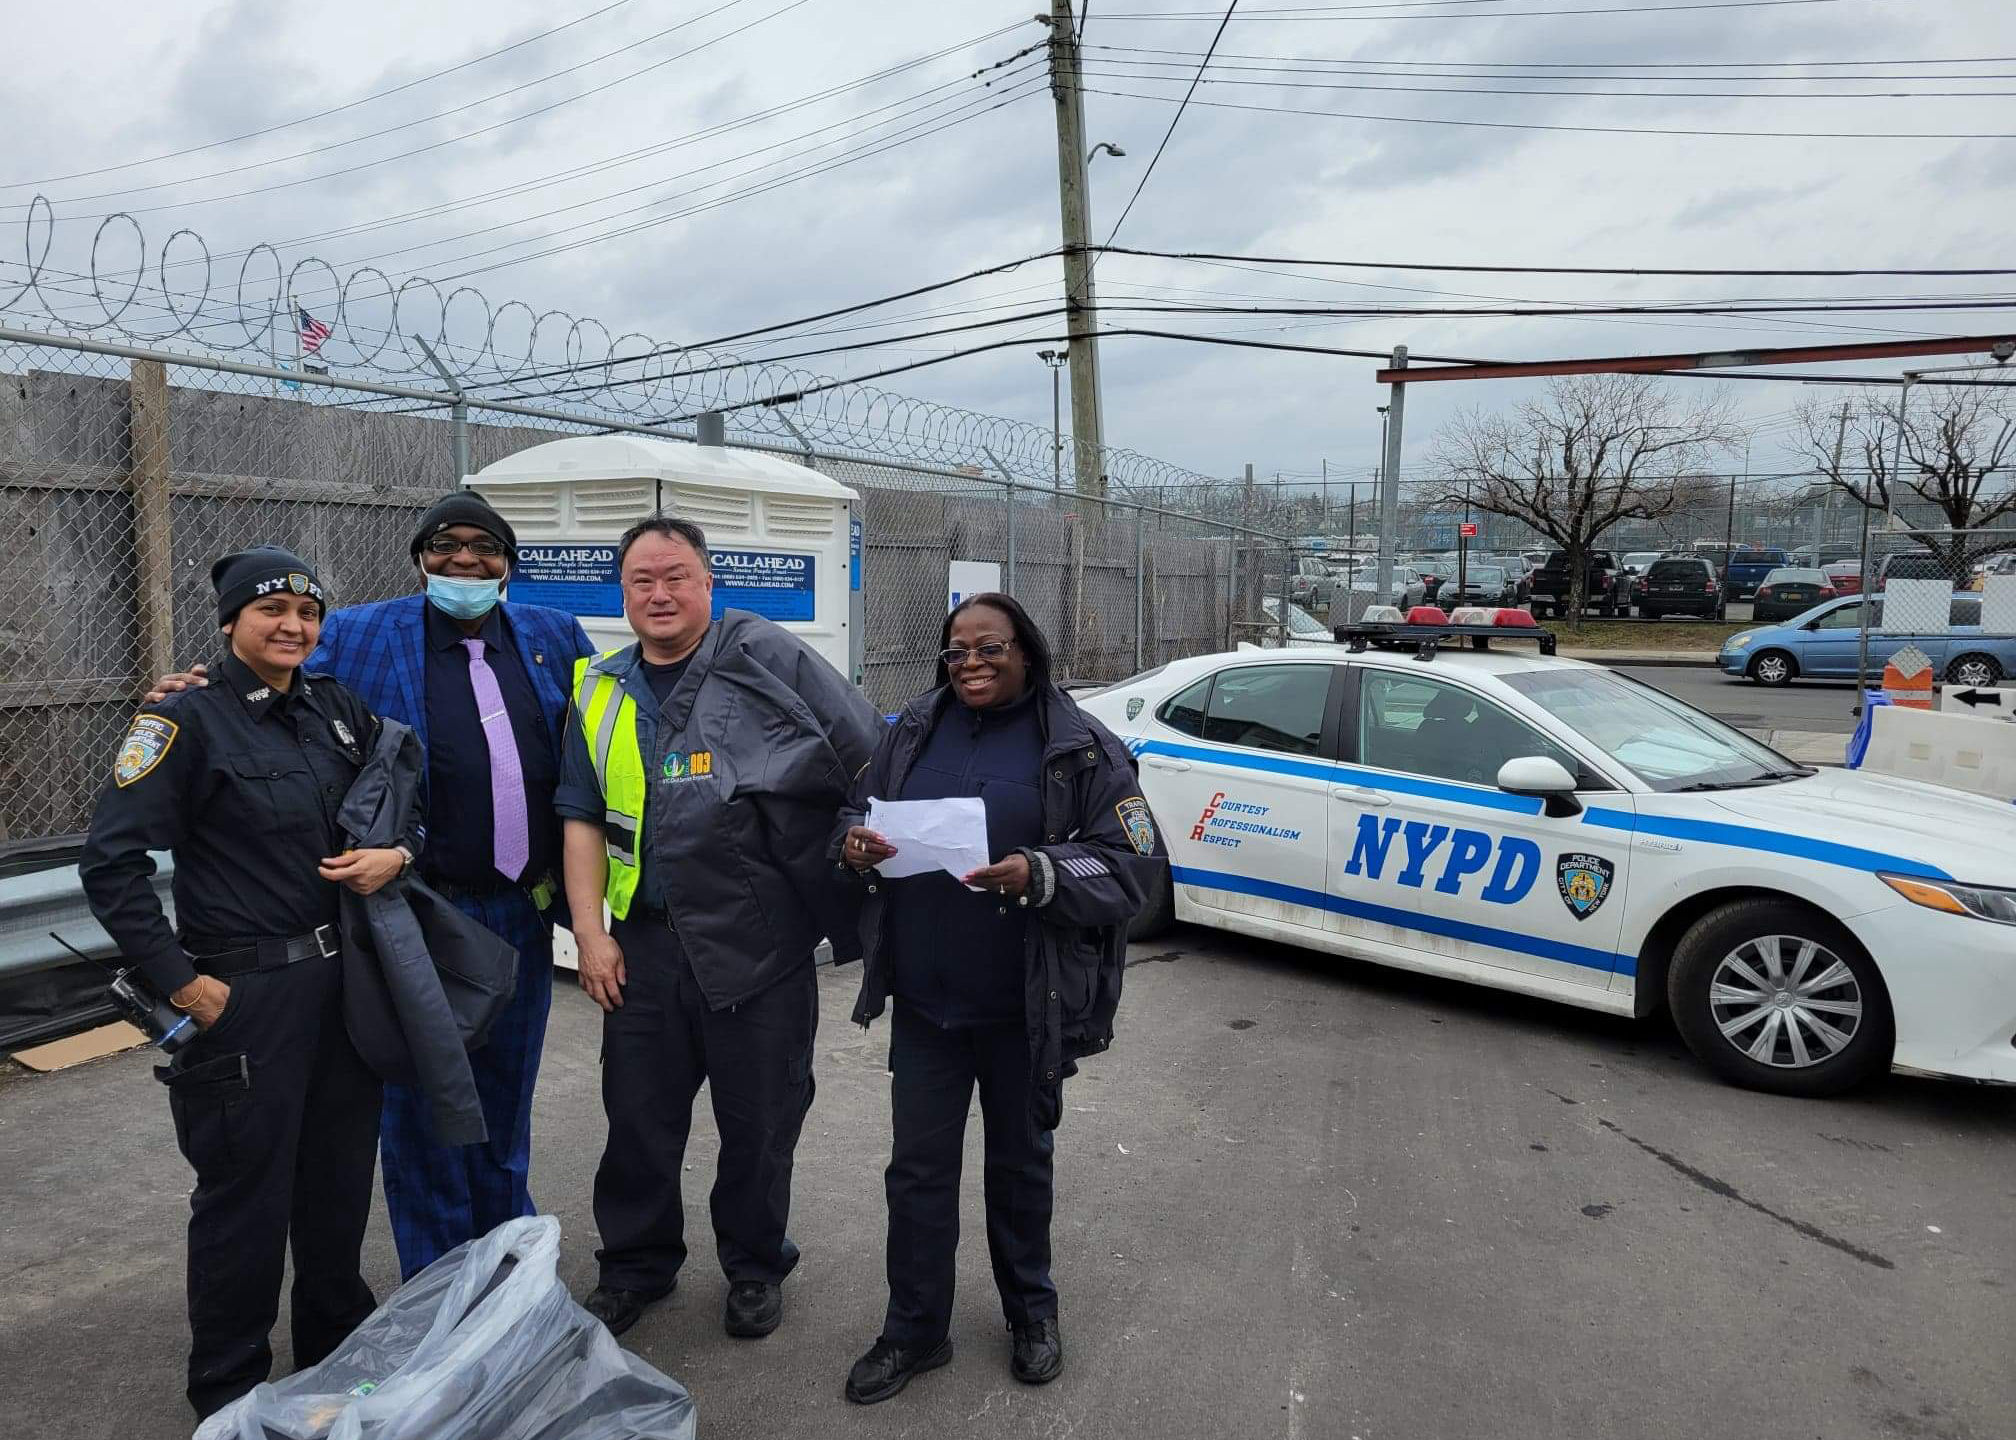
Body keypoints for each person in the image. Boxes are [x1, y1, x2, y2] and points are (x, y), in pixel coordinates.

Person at [147, 493, 597, 1281]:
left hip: (520, 911)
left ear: (508, 564)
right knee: (423, 1110)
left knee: (504, 1101)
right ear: (420, 557)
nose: (465, 559)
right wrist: (193, 691)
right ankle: (441, 1285)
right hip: (416, 913)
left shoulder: (553, 637)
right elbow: (269, 673)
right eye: (446, 544)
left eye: (486, 546)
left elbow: (601, 727)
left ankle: (510, 1269)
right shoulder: (359, 633)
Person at [80, 547, 415, 1421]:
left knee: (338, 1188)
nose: (293, 626)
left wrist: (398, 852)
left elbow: (407, 794)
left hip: (342, 992)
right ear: (231, 621)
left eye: (308, 613)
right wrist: (184, 986)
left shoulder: (337, 711)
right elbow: (111, 865)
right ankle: (229, 1392)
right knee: (244, 1202)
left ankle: (337, 1364)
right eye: (271, 611)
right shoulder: (183, 720)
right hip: (244, 997)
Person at [556, 514, 883, 1341]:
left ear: (709, 583)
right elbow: (581, 817)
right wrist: (591, 934)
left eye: (677, 577)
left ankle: (755, 1265)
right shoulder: (597, 688)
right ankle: (635, 1266)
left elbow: (863, 751)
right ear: (622, 593)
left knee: (761, 1123)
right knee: (638, 1122)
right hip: (645, 945)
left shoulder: (764, 664)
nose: (659, 593)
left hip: (758, 941)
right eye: (642, 580)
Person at [835, 592, 1165, 1404]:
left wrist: (1040, 872)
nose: (971, 664)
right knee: (916, 1174)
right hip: (926, 1005)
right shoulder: (911, 730)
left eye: (990, 649)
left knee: (1019, 1168)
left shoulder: (1081, 748)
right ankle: (914, 1330)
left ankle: (1031, 1314)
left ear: (1027, 651)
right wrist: (853, 843)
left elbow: (1134, 864)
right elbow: (854, 807)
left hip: (1025, 1008)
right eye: (957, 651)